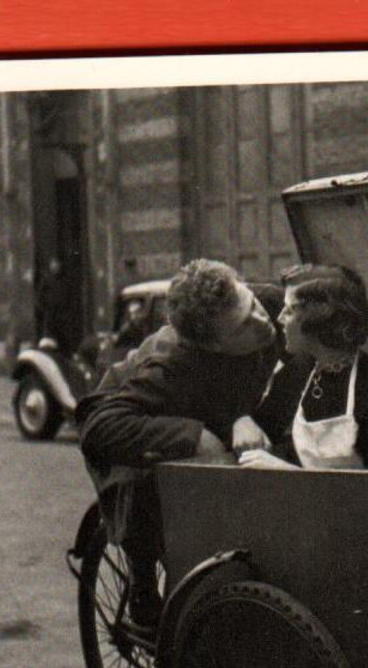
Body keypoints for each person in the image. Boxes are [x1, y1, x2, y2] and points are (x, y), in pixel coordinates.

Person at [76, 258, 281, 630]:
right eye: (242, 328)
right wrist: (193, 435)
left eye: (252, 304)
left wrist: (240, 416)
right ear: (213, 346)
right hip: (135, 419)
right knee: (156, 511)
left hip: (208, 410)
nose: (261, 321)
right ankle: (150, 598)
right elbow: (100, 429)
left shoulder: (269, 303)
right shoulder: (170, 365)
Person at [235, 264, 368, 472]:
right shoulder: (300, 371)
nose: (280, 318)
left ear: (319, 320)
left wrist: (290, 473)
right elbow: (265, 425)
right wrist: (242, 420)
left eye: (290, 310)